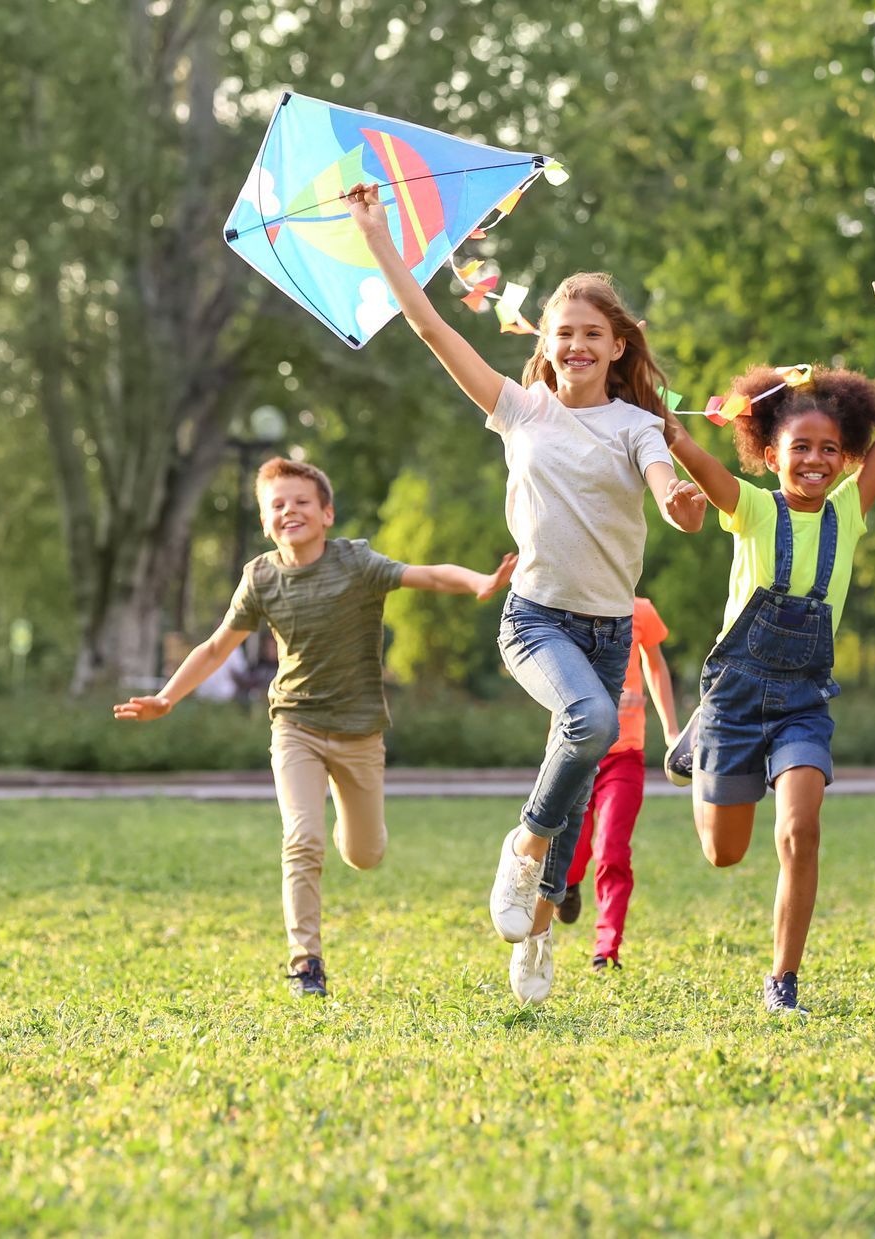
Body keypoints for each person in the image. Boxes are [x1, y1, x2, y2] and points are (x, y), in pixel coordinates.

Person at [344, 182, 708, 1006]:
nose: (577, 344)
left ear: (618, 346)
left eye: (593, 333)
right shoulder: (521, 410)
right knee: (590, 723)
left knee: (578, 772)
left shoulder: (638, 426)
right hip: (536, 619)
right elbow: (433, 327)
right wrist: (377, 238)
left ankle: (538, 929)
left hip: (609, 629)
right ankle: (524, 846)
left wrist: (680, 502)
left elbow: (665, 488)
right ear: (544, 341)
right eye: (564, 332)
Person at [114, 457, 515, 999]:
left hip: (358, 732)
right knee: (301, 839)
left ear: (326, 513)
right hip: (295, 726)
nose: (289, 512)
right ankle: (306, 963)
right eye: (276, 505)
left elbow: (429, 574)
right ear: (264, 521)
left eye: (301, 502)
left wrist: (479, 583)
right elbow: (213, 648)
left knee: (364, 854)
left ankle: (351, 825)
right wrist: (166, 698)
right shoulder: (260, 577)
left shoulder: (357, 563)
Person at [662, 258, 875, 1016]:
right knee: (725, 854)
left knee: (800, 829)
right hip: (734, 691)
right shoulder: (749, 507)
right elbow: (686, 447)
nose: (816, 460)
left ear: (844, 453)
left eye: (828, 449)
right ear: (769, 450)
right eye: (800, 448)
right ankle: (696, 740)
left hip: (802, 700)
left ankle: (783, 978)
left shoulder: (851, 508)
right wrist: (651, 399)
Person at [555, 595, 678, 973]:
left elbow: (655, 667)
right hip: (578, 753)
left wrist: (671, 731)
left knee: (612, 852)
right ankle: (569, 883)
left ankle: (606, 950)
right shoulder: (567, 606)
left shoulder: (640, 609)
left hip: (626, 757)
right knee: (572, 852)